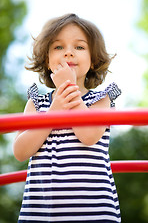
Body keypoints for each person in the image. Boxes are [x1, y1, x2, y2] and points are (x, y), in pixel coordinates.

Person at [13, 13, 121, 223]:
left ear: (93, 59)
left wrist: (67, 89)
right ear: (47, 59)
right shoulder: (36, 102)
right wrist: (54, 111)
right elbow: (20, 151)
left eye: (79, 47)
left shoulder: (102, 99)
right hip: (41, 215)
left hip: (94, 214)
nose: (69, 53)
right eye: (58, 47)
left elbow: (89, 135)